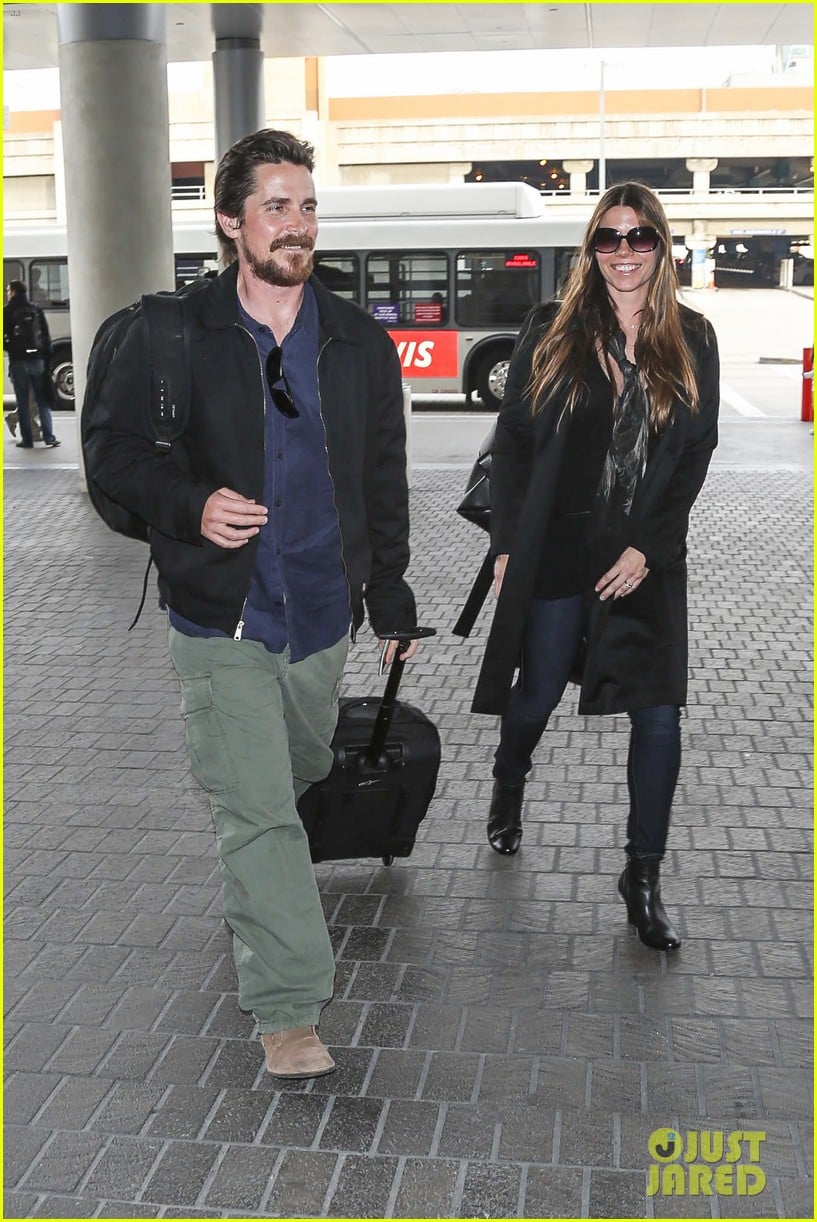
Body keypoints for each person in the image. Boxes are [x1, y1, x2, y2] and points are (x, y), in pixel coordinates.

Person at [84, 129, 421, 1077]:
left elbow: (382, 476)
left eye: (307, 204)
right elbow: (112, 455)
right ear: (231, 220)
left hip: (321, 610)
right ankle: (287, 1009)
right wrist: (191, 503)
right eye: (276, 205)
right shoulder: (170, 333)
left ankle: (261, 891)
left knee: (302, 763)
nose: (297, 223)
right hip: (219, 615)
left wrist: (389, 593)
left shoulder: (356, 341)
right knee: (259, 812)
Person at [472, 182, 719, 953]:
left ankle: (641, 875)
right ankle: (509, 779)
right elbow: (513, 442)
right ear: (590, 249)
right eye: (606, 238)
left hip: (645, 555)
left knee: (657, 712)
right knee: (538, 687)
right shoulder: (551, 328)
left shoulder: (693, 336)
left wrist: (648, 547)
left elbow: (694, 454)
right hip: (557, 548)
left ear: (661, 245)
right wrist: (507, 543)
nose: (622, 252)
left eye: (638, 237)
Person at [3, 280, 60, 449]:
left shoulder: (7, 311)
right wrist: (46, 357)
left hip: (18, 361)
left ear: (13, 292)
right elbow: (46, 336)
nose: (7, 293)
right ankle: (49, 437)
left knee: (22, 402)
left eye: (8, 290)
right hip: (38, 360)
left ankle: (27, 440)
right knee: (42, 401)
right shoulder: (36, 309)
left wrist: (12, 349)